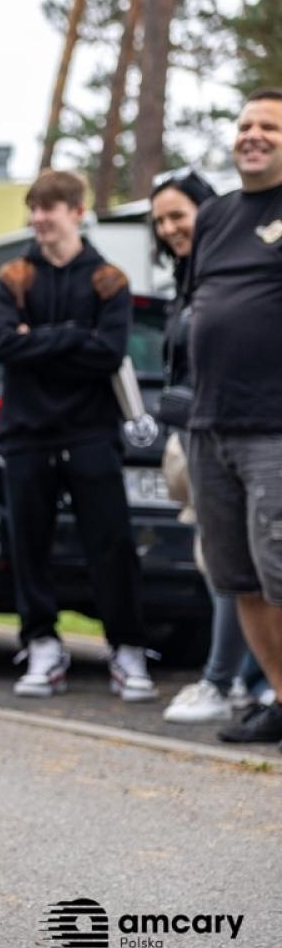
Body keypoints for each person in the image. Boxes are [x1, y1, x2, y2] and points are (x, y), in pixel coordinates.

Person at [0, 170, 156, 701]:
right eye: (34, 209)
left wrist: (37, 337)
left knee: (111, 543)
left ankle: (127, 649)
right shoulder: (13, 276)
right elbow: (3, 348)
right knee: (29, 543)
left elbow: (109, 353)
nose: (39, 219)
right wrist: (72, 338)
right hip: (25, 435)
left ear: (76, 212)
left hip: (90, 433)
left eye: (50, 208)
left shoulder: (109, 279)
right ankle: (41, 644)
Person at [185, 88, 282, 747]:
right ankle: (279, 695)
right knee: (238, 575)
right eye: (245, 124)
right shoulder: (214, 216)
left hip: (274, 427)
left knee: (279, 571)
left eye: (269, 126)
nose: (252, 135)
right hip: (208, 426)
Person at [150, 172, 264, 725]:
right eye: (162, 221)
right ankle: (243, 680)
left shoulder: (247, 266)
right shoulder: (188, 278)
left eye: (179, 215)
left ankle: (227, 679)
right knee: (222, 563)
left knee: (254, 564)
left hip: (250, 430)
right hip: (198, 434)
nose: (171, 228)